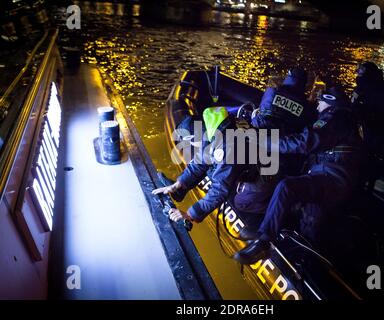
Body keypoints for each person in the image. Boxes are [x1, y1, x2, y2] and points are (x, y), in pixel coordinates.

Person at [233, 87, 365, 265]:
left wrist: (265, 142)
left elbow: (306, 142)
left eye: (320, 101)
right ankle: (268, 229)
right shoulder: (342, 119)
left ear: (330, 101)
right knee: (294, 199)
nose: (317, 104)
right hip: (331, 175)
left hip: (333, 178)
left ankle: (264, 244)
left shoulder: (335, 118)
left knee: (287, 187)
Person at [152, 107, 252, 224]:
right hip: (244, 162)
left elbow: (220, 188)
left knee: (233, 194)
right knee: (211, 166)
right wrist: (179, 184)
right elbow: (200, 162)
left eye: (191, 143)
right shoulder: (213, 129)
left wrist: (190, 214)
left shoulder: (226, 145)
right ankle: (180, 190)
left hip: (258, 178)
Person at [251, 67, 316, 135]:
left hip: (260, 127)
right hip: (283, 137)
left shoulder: (272, 91)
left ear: (288, 77)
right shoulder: (306, 105)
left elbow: (263, 107)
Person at [351, 61, 384, 156]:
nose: (358, 73)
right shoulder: (362, 88)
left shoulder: (378, 91)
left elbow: (380, 117)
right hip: (365, 131)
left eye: (361, 70)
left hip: (373, 132)